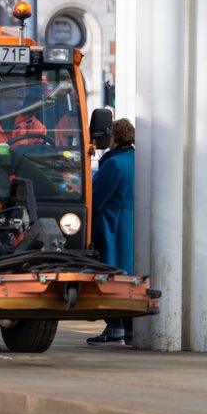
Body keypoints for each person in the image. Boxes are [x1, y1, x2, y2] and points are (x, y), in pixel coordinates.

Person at [85, 118, 135, 347]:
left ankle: (115, 327)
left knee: (114, 276)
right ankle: (128, 328)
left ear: (114, 138)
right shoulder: (135, 160)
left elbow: (95, 199)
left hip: (112, 225)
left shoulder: (114, 164)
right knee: (130, 276)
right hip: (130, 224)